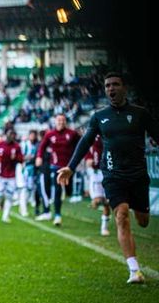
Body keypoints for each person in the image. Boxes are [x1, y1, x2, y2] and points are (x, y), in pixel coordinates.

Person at [58, 73, 159, 284]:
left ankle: (139, 216)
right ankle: (134, 270)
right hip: (113, 175)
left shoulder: (141, 114)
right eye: (107, 86)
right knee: (121, 215)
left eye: (115, 84)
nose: (111, 89)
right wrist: (70, 167)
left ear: (124, 87)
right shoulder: (99, 116)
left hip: (138, 175)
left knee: (142, 221)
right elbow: (85, 142)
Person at [36, 114, 79, 226]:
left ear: (66, 122)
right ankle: (57, 215)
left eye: (63, 120)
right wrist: (39, 157)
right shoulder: (50, 134)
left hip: (69, 167)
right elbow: (42, 147)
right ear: (55, 122)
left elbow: (82, 144)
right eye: (59, 120)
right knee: (57, 190)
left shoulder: (72, 133)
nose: (61, 122)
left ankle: (68, 193)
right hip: (56, 167)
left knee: (69, 191)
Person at [0, 130, 23, 223]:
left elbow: (21, 159)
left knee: (9, 196)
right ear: (6, 135)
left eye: (13, 135)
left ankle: (5, 216)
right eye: (10, 134)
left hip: (11, 175)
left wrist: (16, 158)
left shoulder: (17, 147)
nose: (11, 136)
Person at [85, 136, 111, 236]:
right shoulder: (91, 141)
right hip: (96, 175)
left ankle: (104, 228)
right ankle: (95, 202)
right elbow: (87, 156)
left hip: (107, 173)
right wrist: (88, 161)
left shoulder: (108, 138)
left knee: (107, 204)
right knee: (98, 201)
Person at [19, 130, 39, 216]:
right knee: (25, 188)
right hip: (26, 168)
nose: (32, 137)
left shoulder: (35, 145)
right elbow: (20, 156)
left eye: (34, 135)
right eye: (31, 135)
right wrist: (28, 157)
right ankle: (23, 207)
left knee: (31, 188)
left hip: (33, 168)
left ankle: (26, 204)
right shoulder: (25, 144)